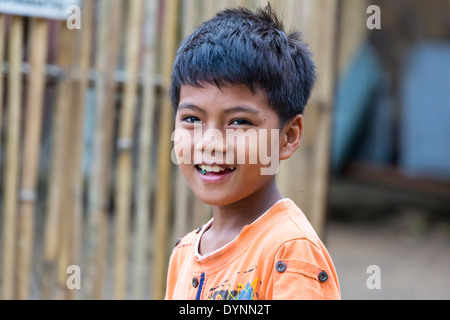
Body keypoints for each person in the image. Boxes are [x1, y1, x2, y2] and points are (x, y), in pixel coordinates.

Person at [165, 4, 340, 300]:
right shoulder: (184, 254)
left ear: (288, 137)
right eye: (192, 119)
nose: (210, 142)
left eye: (239, 122)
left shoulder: (290, 253)